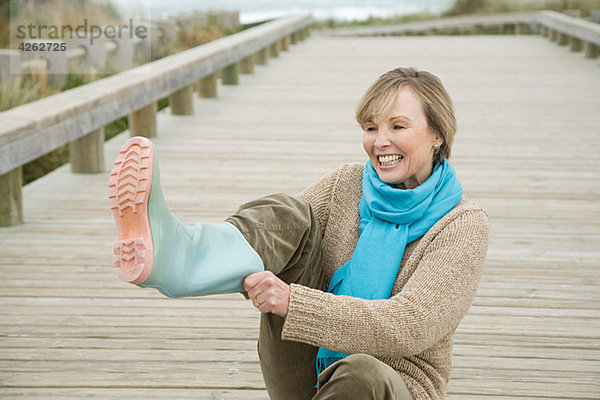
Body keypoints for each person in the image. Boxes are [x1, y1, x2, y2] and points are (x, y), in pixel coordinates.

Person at [108, 67, 490, 400]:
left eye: (398, 126)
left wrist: (294, 302)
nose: (379, 141)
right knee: (291, 215)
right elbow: (276, 243)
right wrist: (257, 275)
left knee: (361, 372)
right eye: (371, 128)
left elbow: (410, 325)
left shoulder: (462, 224)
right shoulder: (347, 183)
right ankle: (179, 254)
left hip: (392, 387)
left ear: (438, 134)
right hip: (305, 368)